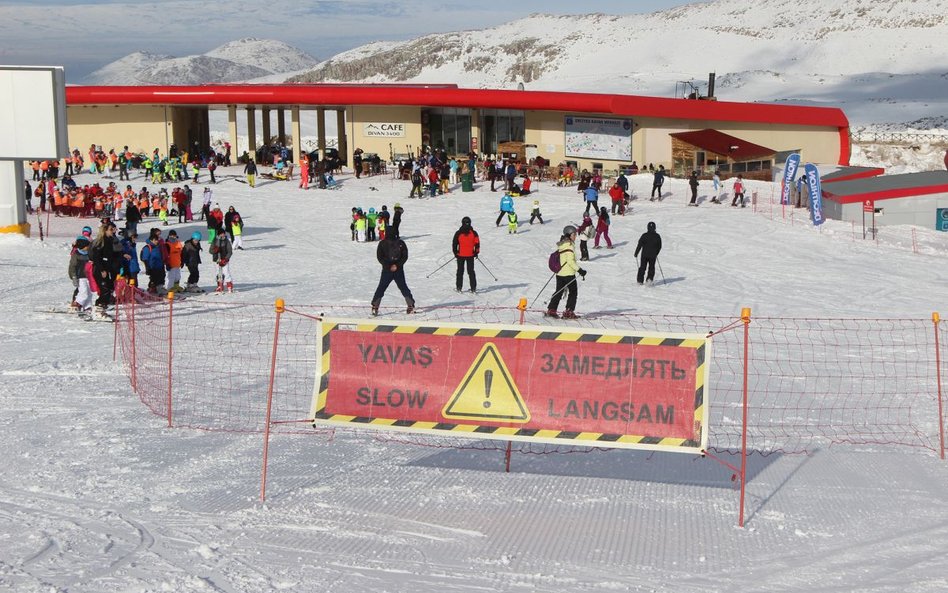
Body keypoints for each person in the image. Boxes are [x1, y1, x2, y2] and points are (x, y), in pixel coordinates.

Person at [370, 233, 415, 316]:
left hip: (387, 270)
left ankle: (375, 307)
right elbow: (405, 256)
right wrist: (397, 265)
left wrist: (388, 265)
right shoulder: (401, 243)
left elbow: (379, 257)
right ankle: (411, 305)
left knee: (381, 288)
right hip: (399, 269)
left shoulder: (382, 243)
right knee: (403, 287)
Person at [546, 226, 584, 319]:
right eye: (574, 234)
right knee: (573, 292)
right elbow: (570, 261)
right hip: (568, 274)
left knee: (558, 291)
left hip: (560, 273)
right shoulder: (569, 245)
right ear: (569, 235)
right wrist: (580, 270)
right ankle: (569, 311)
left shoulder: (562, 244)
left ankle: (552, 309)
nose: (575, 236)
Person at [452, 216, 480, 293]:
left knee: (460, 272)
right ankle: (473, 288)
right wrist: (476, 252)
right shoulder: (474, 233)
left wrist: (455, 253)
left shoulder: (458, 233)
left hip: (460, 255)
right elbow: (477, 244)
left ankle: (459, 287)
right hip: (470, 255)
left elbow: (454, 244)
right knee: (471, 272)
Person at [634, 221, 662, 286]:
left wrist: (636, 253)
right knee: (651, 267)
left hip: (644, 255)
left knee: (642, 267)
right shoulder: (657, 236)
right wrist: (656, 253)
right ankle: (649, 280)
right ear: (655, 228)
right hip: (653, 255)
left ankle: (640, 281)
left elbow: (639, 245)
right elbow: (659, 246)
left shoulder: (644, 235)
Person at [210, 228, 234, 293]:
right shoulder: (215, 240)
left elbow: (230, 251)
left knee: (226, 272)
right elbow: (210, 250)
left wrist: (226, 259)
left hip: (224, 259)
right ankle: (220, 285)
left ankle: (229, 285)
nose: (222, 235)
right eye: (221, 234)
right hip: (217, 259)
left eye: (223, 233)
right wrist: (215, 250)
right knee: (218, 273)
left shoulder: (226, 241)